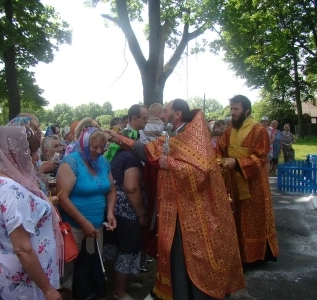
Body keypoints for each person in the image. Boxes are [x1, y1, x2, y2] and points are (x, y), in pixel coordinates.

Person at [106, 99, 245, 300]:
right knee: (177, 257)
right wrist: (118, 138)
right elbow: (148, 151)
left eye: (166, 111)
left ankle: (199, 294)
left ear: (177, 114)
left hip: (197, 212)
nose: (162, 115)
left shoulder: (195, 135)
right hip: (178, 208)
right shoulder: (175, 134)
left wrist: (169, 163)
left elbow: (202, 171)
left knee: (195, 255)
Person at [0, 126, 63, 300]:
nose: (36, 158)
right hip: (25, 285)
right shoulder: (13, 192)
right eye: (33, 152)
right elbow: (22, 249)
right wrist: (48, 289)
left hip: (9, 274)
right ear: (17, 154)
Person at [217, 95, 279, 267]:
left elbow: (260, 158)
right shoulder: (229, 129)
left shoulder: (258, 130)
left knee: (252, 219)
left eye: (236, 109)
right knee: (235, 217)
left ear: (247, 110)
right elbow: (221, 149)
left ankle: (255, 257)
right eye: (231, 109)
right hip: (234, 181)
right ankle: (238, 256)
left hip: (253, 184)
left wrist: (237, 162)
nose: (233, 113)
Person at [56, 127, 117, 291]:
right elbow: (62, 197)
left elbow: (111, 190)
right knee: (70, 273)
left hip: (96, 226)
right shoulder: (71, 163)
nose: (99, 151)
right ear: (83, 144)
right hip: (73, 227)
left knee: (90, 265)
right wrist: (83, 222)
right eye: (94, 147)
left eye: (102, 147)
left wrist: (110, 212)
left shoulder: (103, 162)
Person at [104, 105, 149, 300]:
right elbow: (132, 187)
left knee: (114, 247)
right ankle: (120, 291)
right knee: (127, 248)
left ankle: (121, 283)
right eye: (144, 118)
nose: (147, 122)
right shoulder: (131, 157)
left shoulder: (116, 154)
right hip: (127, 208)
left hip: (113, 206)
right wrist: (141, 214)